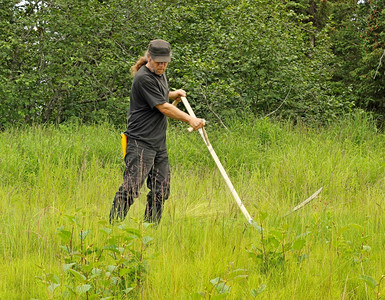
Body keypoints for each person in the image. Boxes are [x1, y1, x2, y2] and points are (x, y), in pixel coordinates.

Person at [109, 39, 205, 224]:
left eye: (165, 62)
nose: (162, 66)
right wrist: (190, 119)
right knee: (131, 189)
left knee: (161, 190)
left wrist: (172, 93)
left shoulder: (159, 74)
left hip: (158, 144)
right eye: (158, 62)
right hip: (140, 143)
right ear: (149, 58)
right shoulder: (143, 77)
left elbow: (160, 94)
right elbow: (163, 107)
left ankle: (150, 230)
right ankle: (112, 228)